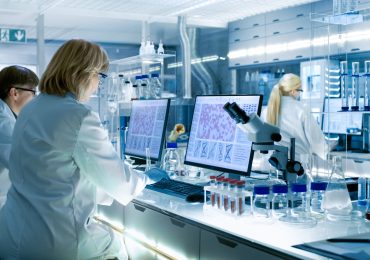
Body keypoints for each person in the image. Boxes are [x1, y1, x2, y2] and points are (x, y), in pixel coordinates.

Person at [0, 39, 167, 259]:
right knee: (118, 247)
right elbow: (121, 184)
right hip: (51, 242)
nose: (99, 84)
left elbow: (53, 172)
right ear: (85, 74)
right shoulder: (78, 116)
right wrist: (146, 178)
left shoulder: (31, 109)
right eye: (100, 76)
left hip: (12, 235)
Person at [266, 73, 332, 166]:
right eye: (300, 90)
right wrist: (328, 150)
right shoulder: (301, 109)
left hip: (272, 165)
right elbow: (316, 140)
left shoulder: (268, 109)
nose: (300, 94)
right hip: (297, 166)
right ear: (293, 91)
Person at [0, 65, 39, 209]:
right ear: (14, 93)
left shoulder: (7, 117)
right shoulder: (3, 122)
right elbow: (20, 162)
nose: (35, 99)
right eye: (33, 92)